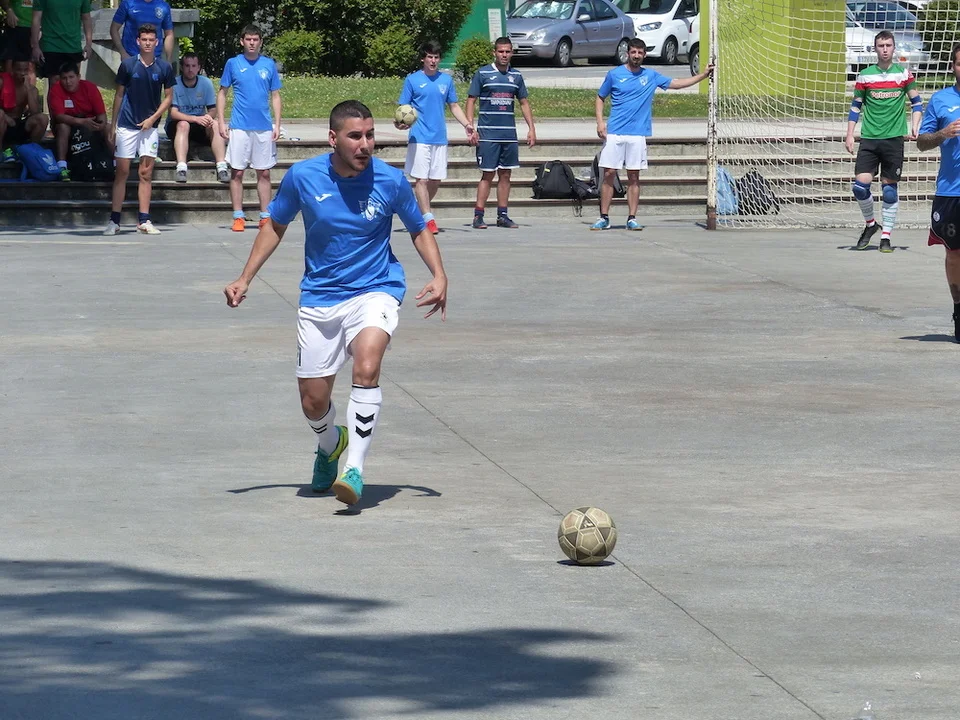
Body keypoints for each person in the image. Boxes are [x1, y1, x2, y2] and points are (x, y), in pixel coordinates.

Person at [222, 100, 448, 507]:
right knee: (313, 401)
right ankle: (330, 443)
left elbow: (418, 228)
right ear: (333, 138)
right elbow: (275, 225)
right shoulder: (303, 176)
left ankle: (354, 469)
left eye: (370, 135)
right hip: (321, 296)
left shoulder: (390, 180)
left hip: (376, 288)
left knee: (367, 365)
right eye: (355, 136)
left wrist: (439, 273)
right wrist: (245, 277)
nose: (365, 145)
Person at [593, 38, 713, 231]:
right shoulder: (614, 74)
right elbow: (600, 97)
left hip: (637, 134)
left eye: (640, 53)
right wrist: (600, 122)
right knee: (609, 173)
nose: (636, 56)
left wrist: (703, 76)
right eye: (633, 52)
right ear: (628, 53)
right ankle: (604, 217)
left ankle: (632, 218)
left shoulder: (651, 76)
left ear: (644, 55)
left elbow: (677, 84)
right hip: (615, 132)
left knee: (634, 176)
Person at [845, 30, 923, 253]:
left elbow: (917, 102)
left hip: (893, 139)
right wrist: (850, 134)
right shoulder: (865, 76)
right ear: (875, 48)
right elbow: (856, 106)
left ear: (894, 48)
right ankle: (871, 224)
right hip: (870, 138)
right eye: (881, 45)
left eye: (888, 45)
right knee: (860, 187)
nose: (885, 49)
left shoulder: (903, 74)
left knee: (889, 191)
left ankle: (886, 237)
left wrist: (915, 124)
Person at [396, 40, 474, 234]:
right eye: (429, 57)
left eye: (436, 57)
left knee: (436, 179)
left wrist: (467, 125)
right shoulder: (412, 80)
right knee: (421, 179)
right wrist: (400, 124)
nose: (433, 61)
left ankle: (418, 211)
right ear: (423, 59)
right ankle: (428, 218)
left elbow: (453, 105)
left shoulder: (446, 81)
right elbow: (403, 109)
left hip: (439, 137)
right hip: (419, 137)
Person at [103, 24, 174, 236]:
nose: (148, 43)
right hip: (127, 125)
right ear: (138, 41)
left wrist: (152, 119)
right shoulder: (128, 65)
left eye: (151, 40)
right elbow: (119, 95)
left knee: (146, 172)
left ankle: (144, 220)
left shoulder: (164, 67)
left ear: (157, 42)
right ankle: (114, 220)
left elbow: (168, 97)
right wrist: (113, 125)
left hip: (149, 128)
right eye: (144, 39)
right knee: (122, 172)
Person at [216, 24, 281, 233]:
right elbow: (222, 93)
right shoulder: (233, 63)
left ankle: (265, 216)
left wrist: (277, 123)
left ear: (260, 42)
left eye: (255, 39)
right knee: (237, 172)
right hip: (239, 126)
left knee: (264, 173)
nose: (252, 43)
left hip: (263, 127)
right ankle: (238, 216)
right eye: (248, 39)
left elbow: (275, 95)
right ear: (242, 41)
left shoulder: (268, 64)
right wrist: (221, 121)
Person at [465, 37, 535, 230]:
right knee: (487, 174)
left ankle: (502, 215)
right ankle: (478, 215)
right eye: (501, 51)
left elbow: (523, 102)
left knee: (505, 175)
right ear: (494, 53)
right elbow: (471, 100)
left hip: (508, 134)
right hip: (488, 134)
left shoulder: (516, 76)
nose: (504, 55)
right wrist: (470, 126)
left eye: (507, 51)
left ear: (512, 53)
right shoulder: (483, 73)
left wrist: (531, 128)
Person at [917, 42, 960, 341]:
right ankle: (959, 311)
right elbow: (921, 142)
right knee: (954, 255)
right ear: (953, 67)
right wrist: (943, 134)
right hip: (951, 192)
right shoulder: (941, 99)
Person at [165, 52, 227, 183]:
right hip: (177, 125)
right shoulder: (174, 84)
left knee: (215, 124)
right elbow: (173, 113)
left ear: (199, 67)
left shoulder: (206, 83)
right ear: (182, 67)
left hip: (199, 123)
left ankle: (222, 167)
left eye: (193, 66)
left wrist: (207, 117)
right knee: (183, 124)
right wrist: (195, 118)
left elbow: (213, 110)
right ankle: (181, 168)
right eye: (187, 66)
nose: (190, 69)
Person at [49, 60, 110, 179]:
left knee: (108, 127)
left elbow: (101, 114)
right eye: (64, 78)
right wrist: (81, 122)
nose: (68, 82)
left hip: (90, 123)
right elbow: (59, 116)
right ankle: (62, 166)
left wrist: (100, 125)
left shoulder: (90, 87)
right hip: (69, 124)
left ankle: (116, 163)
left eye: (71, 77)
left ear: (78, 77)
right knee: (62, 126)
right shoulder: (56, 90)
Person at [30, 0, 92, 106]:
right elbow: (36, 18)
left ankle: (72, 113)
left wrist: (89, 44)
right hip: (51, 44)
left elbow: (86, 18)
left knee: (73, 83)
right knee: (55, 84)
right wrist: (35, 46)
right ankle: (55, 115)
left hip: (73, 45)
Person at [0, 55, 47, 160]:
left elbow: (35, 112)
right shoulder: (2, 82)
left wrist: (28, 89)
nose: (22, 73)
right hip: (3, 123)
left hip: (18, 123)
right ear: (12, 70)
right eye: (19, 69)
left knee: (43, 118)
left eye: (25, 70)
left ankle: (31, 151)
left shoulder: (32, 89)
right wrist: (6, 118)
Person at [1, 0, 36, 81]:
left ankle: (28, 88)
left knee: (30, 65)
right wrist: (8, 10)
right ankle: (8, 87)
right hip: (14, 26)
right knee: (9, 62)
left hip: (32, 28)